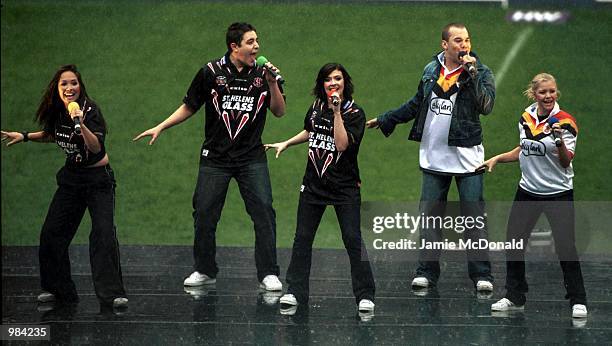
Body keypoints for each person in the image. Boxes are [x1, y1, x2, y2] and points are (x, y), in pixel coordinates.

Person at [134, 22, 285, 291]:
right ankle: (205, 270)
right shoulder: (211, 72)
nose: (257, 47)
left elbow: (279, 111)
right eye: (250, 42)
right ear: (234, 46)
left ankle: (268, 273)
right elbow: (189, 106)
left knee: (263, 211)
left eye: (257, 41)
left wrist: (273, 83)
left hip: (251, 158)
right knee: (204, 214)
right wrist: (161, 126)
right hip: (215, 158)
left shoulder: (263, 74)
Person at [365, 23, 495, 293]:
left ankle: (482, 274)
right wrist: (388, 118)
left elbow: (486, 106)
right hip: (434, 159)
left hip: (468, 160)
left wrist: (472, 75)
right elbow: (417, 103)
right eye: (458, 40)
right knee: (430, 219)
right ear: (444, 45)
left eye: (467, 40)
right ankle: (426, 272)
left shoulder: (480, 72)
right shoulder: (430, 70)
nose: (464, 45)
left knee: (473, 218)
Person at [1, 64, 127, 308]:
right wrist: (26, 136)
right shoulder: (58, 110)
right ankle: (57, 289)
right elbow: (53, 134)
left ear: (80, 86)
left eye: (74, 83)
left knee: (103, 234)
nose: (70, 88)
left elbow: (95, 147)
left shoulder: (90, 110)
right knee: (52, 234)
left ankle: (113, 295)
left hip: (98, 180)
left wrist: (80, 123)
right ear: (57, 88)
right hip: (71, 179)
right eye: (64, 84)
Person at [266, 63, 376, 314]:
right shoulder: (316, 107)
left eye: (337, 78)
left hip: (344, 188)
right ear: (321, 84)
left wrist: (337, 112)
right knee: (302, 238)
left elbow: (341, 145)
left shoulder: (354, 113)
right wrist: (287, 142)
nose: (332, 83)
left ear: (345, 82)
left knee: (352, 239)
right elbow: (311, 130)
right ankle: (294, 291)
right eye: (327, 79)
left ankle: (365, 295)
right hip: (313, 185)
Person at [481, 73, 587, 319]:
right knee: (514, 242)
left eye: (551, 91)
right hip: (527, 190)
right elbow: (524, 148)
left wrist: (559, 140)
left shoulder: (566, 123)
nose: (548, 96)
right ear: (534, 94)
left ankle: (578, 299)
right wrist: (498, 158)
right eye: (543, 92)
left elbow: (565, 162)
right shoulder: (526, 117)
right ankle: (515, 296)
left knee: (565, 247)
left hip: (557, 193)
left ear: (556, 93)